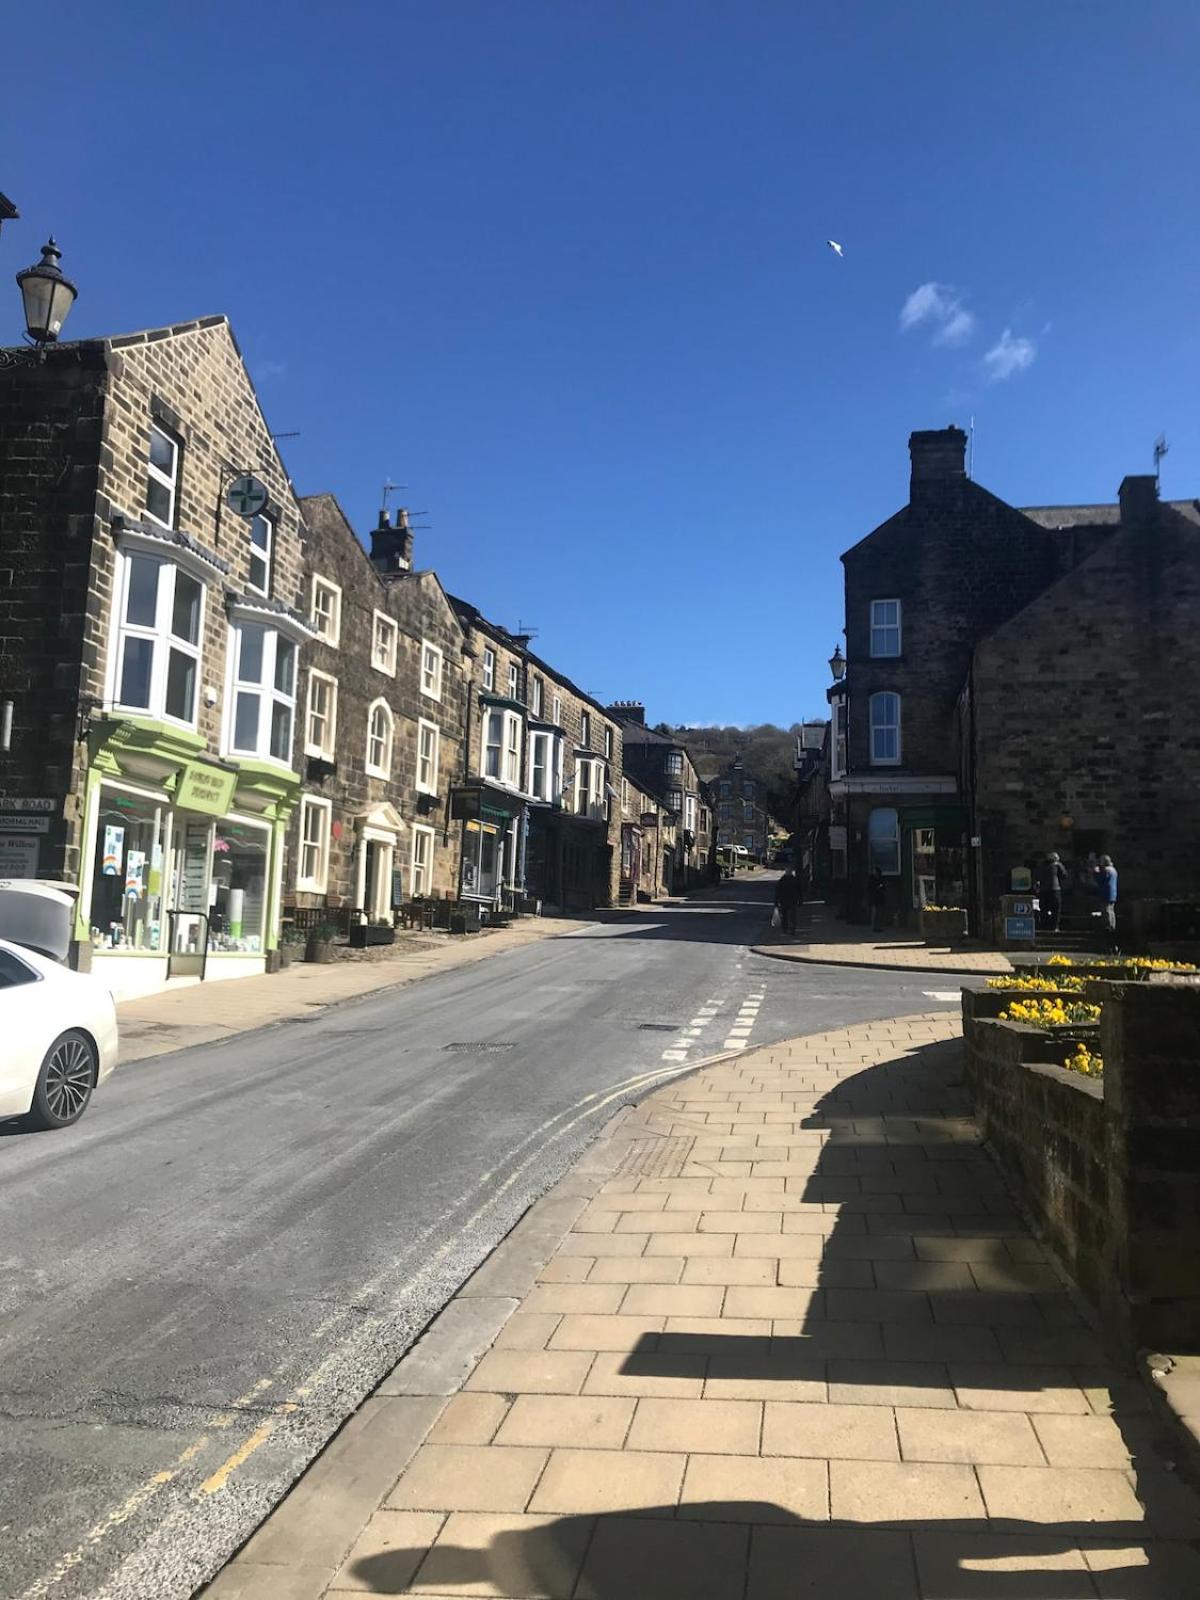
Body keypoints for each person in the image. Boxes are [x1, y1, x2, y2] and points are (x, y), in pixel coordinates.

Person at [1037, 851, 1068, 933]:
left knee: (1043, 909)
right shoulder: (1057, 865)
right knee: (1056, 909)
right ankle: (1054, 927)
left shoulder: (1041, 866)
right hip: (1054, 889)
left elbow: (1037, 876)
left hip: (1043, 890)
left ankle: (1044, 926)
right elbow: (1064, 875)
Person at [1093, 854, 1118, 946]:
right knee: (1111, 910)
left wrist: (1095, 872)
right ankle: (1112, 925)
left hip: (1106, 893)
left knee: (1106, 910)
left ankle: (1108, 926)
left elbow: (1100, 879)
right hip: (1113, 893)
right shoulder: (1114, 870)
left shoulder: (1106, 870)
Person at [774, 868, 800, 935]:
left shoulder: (782, 880)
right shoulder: (795, 880)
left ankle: (785, 928)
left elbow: (777, 892)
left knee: (784, 915)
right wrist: (800, 900)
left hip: (783, 900)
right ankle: (792, 928)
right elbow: (799, 891)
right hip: (793, 900)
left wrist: (776, 901)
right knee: (792, 916)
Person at [868, 867, 887, 933]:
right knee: (874, 913)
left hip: (880, 898)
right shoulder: (871, 879)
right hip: (874, 898)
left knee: (880, 914)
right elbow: (870, 887)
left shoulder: (881, 879)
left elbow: (883, 887)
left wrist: (880, 887)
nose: (874, 873)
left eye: (875, 871)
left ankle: (878, 927)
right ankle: (873, 926)